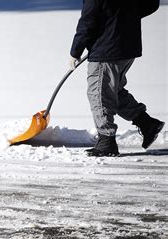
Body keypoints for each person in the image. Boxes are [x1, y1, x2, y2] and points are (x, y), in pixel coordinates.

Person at [70, 0, 165, 157]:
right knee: (112, 90)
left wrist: (75, 51)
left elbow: (88, 21)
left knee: (99, 94)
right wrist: (124, 18)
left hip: (107, 50)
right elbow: (151, 3)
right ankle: (147, 123)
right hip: (127, 45)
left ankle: (106, 142)